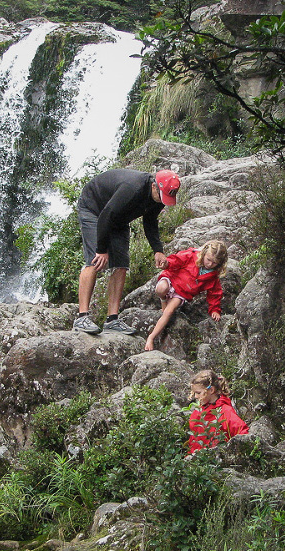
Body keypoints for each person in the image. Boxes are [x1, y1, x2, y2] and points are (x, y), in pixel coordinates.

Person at [73, 168, 181, 335]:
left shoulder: (158, 197)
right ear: (154, 186)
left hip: (119, 218)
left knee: (121, 264)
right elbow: (105, 216)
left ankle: (112, 319)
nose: (163, 201)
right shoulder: (132, 188)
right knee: (95, 261)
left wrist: (157, 250)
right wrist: (101, 250)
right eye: (162, 196)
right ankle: (82, 317)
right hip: (94, 209)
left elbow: (150, 221)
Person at [145, 239, 227, 351]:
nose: (210, 264)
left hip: (182, 293)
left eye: (214, 263)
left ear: (219, 263)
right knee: (161, 288)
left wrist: (215, 309)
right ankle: (163, 300)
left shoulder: (213, 276)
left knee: (169, 312)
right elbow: (176, 260)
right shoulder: (191, 255)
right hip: (171, 279)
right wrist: (167, 263)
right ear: (203, 254)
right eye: (208, 260)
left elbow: (214, 293)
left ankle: (151, 337)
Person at [187, 369, 248, 454]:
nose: (196, 396)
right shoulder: (198, 412)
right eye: (194, 393)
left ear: (211, 390)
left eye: (198, 393)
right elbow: (193, 441)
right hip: (196, 461)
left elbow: (242, 433)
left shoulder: (225, 412)